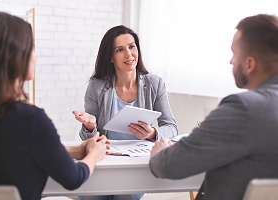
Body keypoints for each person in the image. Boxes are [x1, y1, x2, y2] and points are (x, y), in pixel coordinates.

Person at [0, 12, 108, 200]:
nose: (35, 56)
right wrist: (94, 155)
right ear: (15, 57)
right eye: (31, 48)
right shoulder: (29, 120)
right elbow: (73, 178)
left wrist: (75, 150)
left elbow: (9, 150)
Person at [149, 13, 278, 200]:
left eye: (234, 54)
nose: (231, 61)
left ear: (250, 64)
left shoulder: (244, 108)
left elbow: (171, 165)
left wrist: (160, 152)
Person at [72, 25, 178, 200]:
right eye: (120, 50)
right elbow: (88, 139)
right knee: (93, 196)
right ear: (110, 57)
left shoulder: (155, 84)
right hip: (104, 160)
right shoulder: (96, 86)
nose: (129, 54)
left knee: (126, 195)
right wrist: (90, 126)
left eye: (132, 46)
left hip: (135, 164)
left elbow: (171, 126)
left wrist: (152, 133)